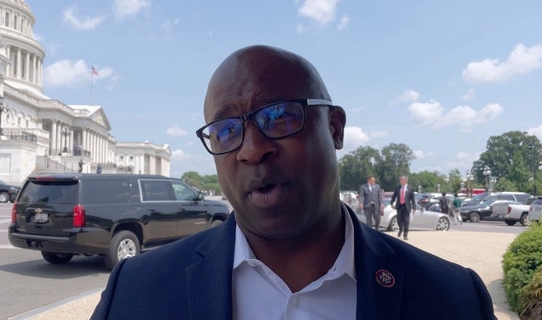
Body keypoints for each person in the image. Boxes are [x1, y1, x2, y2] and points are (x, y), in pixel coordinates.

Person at [91, 45, 495, 319]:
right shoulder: (135, 294)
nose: (251, 150)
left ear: (334, 128)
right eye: (226, 129)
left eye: (279, 116)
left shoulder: (453, 299)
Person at [390, 176, 417, 240]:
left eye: (401, 180)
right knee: (399, 220)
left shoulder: (410, 188)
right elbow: (393, 197)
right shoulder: (397, 188)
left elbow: (413, 199)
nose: (400, 181)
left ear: (405, 181)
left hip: (406, 206)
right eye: (400, 180)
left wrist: (414, 208)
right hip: (399, 206)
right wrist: (392, 203)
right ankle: (401, 229)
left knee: (406, 221)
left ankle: (405, 234)